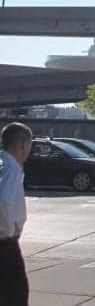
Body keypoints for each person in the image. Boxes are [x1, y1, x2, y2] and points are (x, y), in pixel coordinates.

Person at [0, 122, 33, 306]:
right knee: (16, 293)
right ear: (22, 145)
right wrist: (9, 232)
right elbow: (3, 200)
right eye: (29, 143)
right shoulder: (12, 168)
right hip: (5, 244)